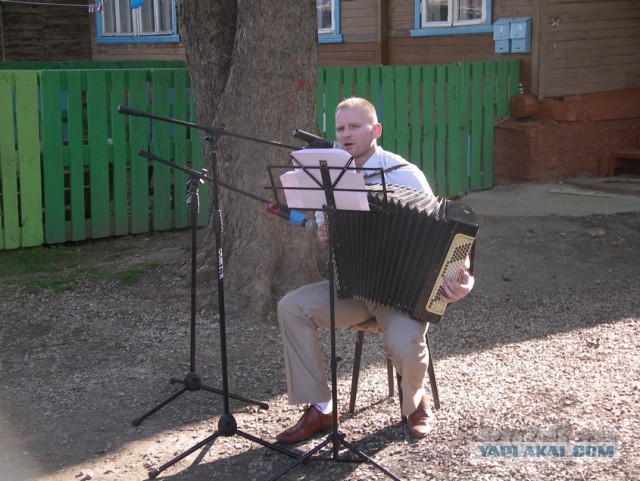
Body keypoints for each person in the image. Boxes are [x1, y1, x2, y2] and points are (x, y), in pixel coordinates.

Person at [276, 97, 474, 443]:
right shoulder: (329, 176)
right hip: (352, 286)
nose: (346, 135)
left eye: (355, 127)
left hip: (400, 294)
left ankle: (414, 402)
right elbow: (329, 232)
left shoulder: (403, 173)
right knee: (291, 307)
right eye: (340, 129)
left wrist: (463, 278)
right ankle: (322, 408)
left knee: (403, 340)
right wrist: (326, 232)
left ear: (375, 131)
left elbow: (445, 231)